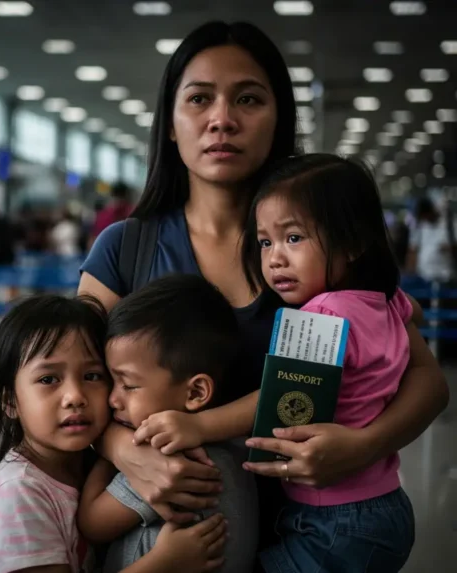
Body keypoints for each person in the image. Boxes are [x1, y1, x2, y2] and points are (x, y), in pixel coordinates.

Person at [78, 19, 447, 556]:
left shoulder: (319, 257)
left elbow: (429, 381)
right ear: (171, 123)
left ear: (279, 120)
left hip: (308, 535)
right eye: (199, 99)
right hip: (170, 548)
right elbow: (71, 389)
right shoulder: (124, 250)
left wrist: (365, 447)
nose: (222, 119)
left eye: (248, 99)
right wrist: (126, 452)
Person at [237, 154, 415, 571]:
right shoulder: (387, 302)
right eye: (266, 242)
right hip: (387, 504)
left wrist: (196, 424)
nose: (275, 258)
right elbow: (412, 315)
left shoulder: (322, 316)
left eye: (294, 238)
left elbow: (275, 398)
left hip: (335, 520)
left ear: (352, 242)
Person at [0, 295, 226, 573]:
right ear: (10, 401)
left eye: (92, 376)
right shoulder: (19, 494)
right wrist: (164, 564)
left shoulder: (87, 464)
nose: (75, 397)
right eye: (48, 379)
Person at [78, 274, 256, 573]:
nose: (113, 399)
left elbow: (91, 523)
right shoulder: (234, 446)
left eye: (129, 385)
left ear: (196, 392)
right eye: (112, 380)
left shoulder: (172, 457)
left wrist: (109, 455)